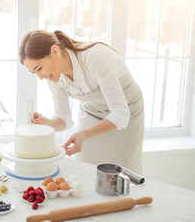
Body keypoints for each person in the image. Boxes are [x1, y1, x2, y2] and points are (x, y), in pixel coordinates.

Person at [19, 30, 144, 174]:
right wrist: (49, 123)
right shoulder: (54, 76)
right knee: (85, 169)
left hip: (128, 112)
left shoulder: (96, 57)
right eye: (34, 73)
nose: (40, 77)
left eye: (39, 68)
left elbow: (121, 115)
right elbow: (64, 117)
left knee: (121, 174)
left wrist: (84, 134)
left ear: (55, 51)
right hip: (92, 113)